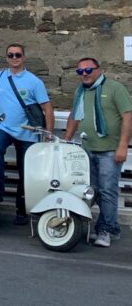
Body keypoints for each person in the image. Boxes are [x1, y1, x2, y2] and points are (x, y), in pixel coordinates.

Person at [0, 43, 54, 226]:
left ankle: (21, 211)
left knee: (25, 171)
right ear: (6, 57)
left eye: (18, 55)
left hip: (27, 132)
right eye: (10, 55)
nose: (14, 58)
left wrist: (49, 132)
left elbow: (47, 108)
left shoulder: (34, 81)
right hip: (3, 127)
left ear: (24, 57)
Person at [64, 57, 132, 248]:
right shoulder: (80, 91)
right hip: (87, 150)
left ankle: (106, 231)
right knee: (93, 191)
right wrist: (66, 139)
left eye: (88, 70)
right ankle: (112, 228)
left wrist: (123, 146)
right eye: (80, 71)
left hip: (110, 151)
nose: (84, 74)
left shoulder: (115, 88)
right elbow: (75, 116)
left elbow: (128, 116)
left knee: (107, 190)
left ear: (98, 70)